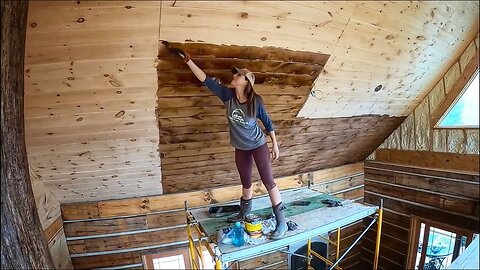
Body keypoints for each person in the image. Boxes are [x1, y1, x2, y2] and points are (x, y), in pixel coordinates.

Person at [173, 47, 288, 239]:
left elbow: (267, 123)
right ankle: (243, 213)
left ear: (246, 81)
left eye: (238, 75)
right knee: (245, 182)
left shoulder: (256, 101)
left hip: (258, 144)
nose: (234, 76)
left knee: (268, 181)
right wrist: (188, 61)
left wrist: (275, 145)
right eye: (235, 74)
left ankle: (281, 222)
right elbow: (205, 80)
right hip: (240, 147)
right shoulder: (228, 96)